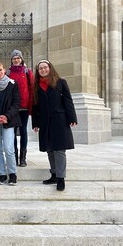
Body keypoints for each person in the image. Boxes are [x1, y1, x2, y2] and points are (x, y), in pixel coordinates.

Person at [32, 60, 77, 191]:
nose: (43, 70)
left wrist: (72, 117)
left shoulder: (61, 82)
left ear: (50, 68)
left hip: (59, 120)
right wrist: (35, 122)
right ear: (38, 71)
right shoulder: (36, 86)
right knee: (49, 149)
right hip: (45, 121)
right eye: (40, 68)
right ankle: (54, 174)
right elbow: (35, 106)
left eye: (45, 67)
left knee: (59, 149)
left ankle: (61, 178)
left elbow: (68, 101)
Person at [8, 50, 34, 167]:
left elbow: (32, 88)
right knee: (12, 132)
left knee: (23, 131)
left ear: (21, 59)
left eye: (18, 58)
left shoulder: (27, 72)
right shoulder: (8, 72)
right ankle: (14, 155)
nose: (16, 60)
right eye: (14, 58)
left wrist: (31, 106)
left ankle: (23, 157)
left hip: (24, 106)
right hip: (12, 108)